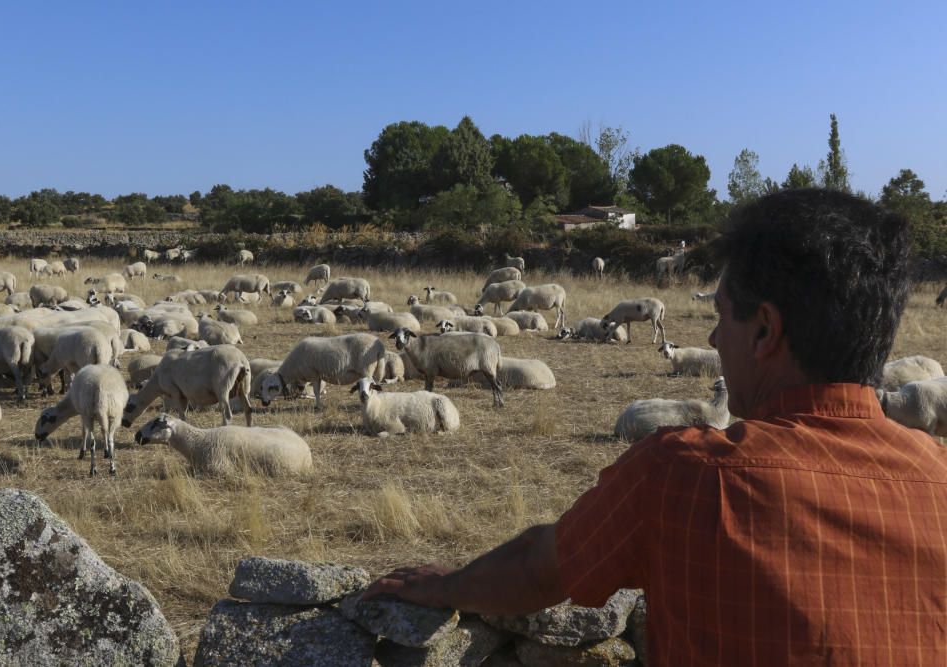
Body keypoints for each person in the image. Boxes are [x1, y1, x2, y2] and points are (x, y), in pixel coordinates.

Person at [364, 189, 947, 665]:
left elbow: (540, 567)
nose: (714, 341)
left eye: (721, 318)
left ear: (765, 331)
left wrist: (445, 586)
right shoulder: (938, 479)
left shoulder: (687, 475)